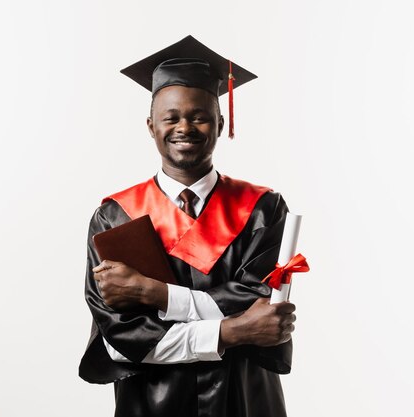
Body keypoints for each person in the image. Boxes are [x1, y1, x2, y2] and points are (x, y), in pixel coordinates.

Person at [79, 35, 297, 417]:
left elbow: (262, 307)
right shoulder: (116, 217)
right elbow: (124, 340)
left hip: (244, 400)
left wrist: (155, 294)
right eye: (171, 117)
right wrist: (232, 331)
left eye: (198, 116)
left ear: (220, 122)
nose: (185, 127)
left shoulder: (263, 209)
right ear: (151, 126)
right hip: (151, 404)